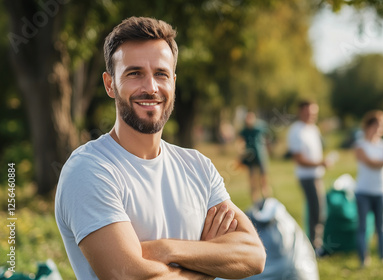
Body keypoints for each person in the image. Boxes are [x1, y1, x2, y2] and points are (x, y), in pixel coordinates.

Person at [55, 17, 265, 280]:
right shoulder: (89, 169)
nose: (151, 87)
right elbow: (128, 276)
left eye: (161, 74)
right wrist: (207, 264)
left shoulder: (198, 166)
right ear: (110, 84)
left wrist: (167, 250)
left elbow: (253, 255)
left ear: (173, 82)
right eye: (135, 73)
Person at [354, 110, 383, 268]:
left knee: (382, 227)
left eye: (382, 126)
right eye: (376, 125)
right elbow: (371, 163)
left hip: (382, 191)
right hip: (363, 192)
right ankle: (363, 259)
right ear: (368, 126)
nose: (379, 129)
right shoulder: (360, 146)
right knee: (363, 227)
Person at [287, 101, 332, 250]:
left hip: (317, 175)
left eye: (313, 112)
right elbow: (299, 159)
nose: (311, 115)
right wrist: (320, 163)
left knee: (319, 211)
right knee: (316, 211)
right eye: (308, 112)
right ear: (300, 112)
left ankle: (316, 244)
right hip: (307, 177)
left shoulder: (313, 129)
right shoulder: (296, 131)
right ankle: (314, 246)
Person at [238, 112, 272, 203]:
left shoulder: (259, 128)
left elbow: (267, 137)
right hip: (250, 158)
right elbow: (241, 143)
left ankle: (266, 198)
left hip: (261, 156)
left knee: (263, 179)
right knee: (252, 179)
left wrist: (268, 148)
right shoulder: (244, 131)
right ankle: (255, 200)